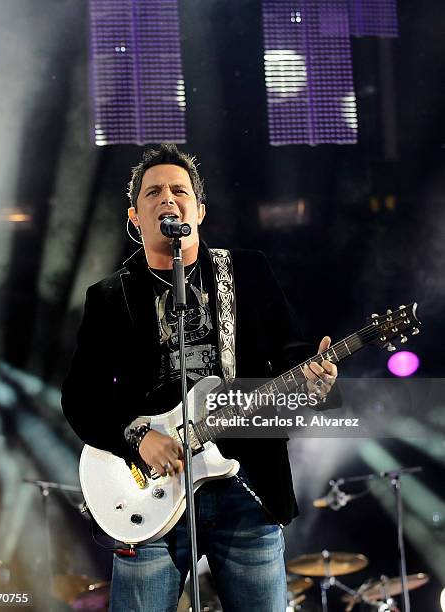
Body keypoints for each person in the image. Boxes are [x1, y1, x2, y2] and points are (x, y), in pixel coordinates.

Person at [61, 143, 338, 612]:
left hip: (247, 489)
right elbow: (80, 397)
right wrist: (137, 436)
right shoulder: (110, 296)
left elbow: (290, 353)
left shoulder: (247, 271)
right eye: (153, 193)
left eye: (178, 190)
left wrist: (314, 380)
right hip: (151, 494)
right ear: (135, 216)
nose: (167, 198)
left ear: (200, 210)